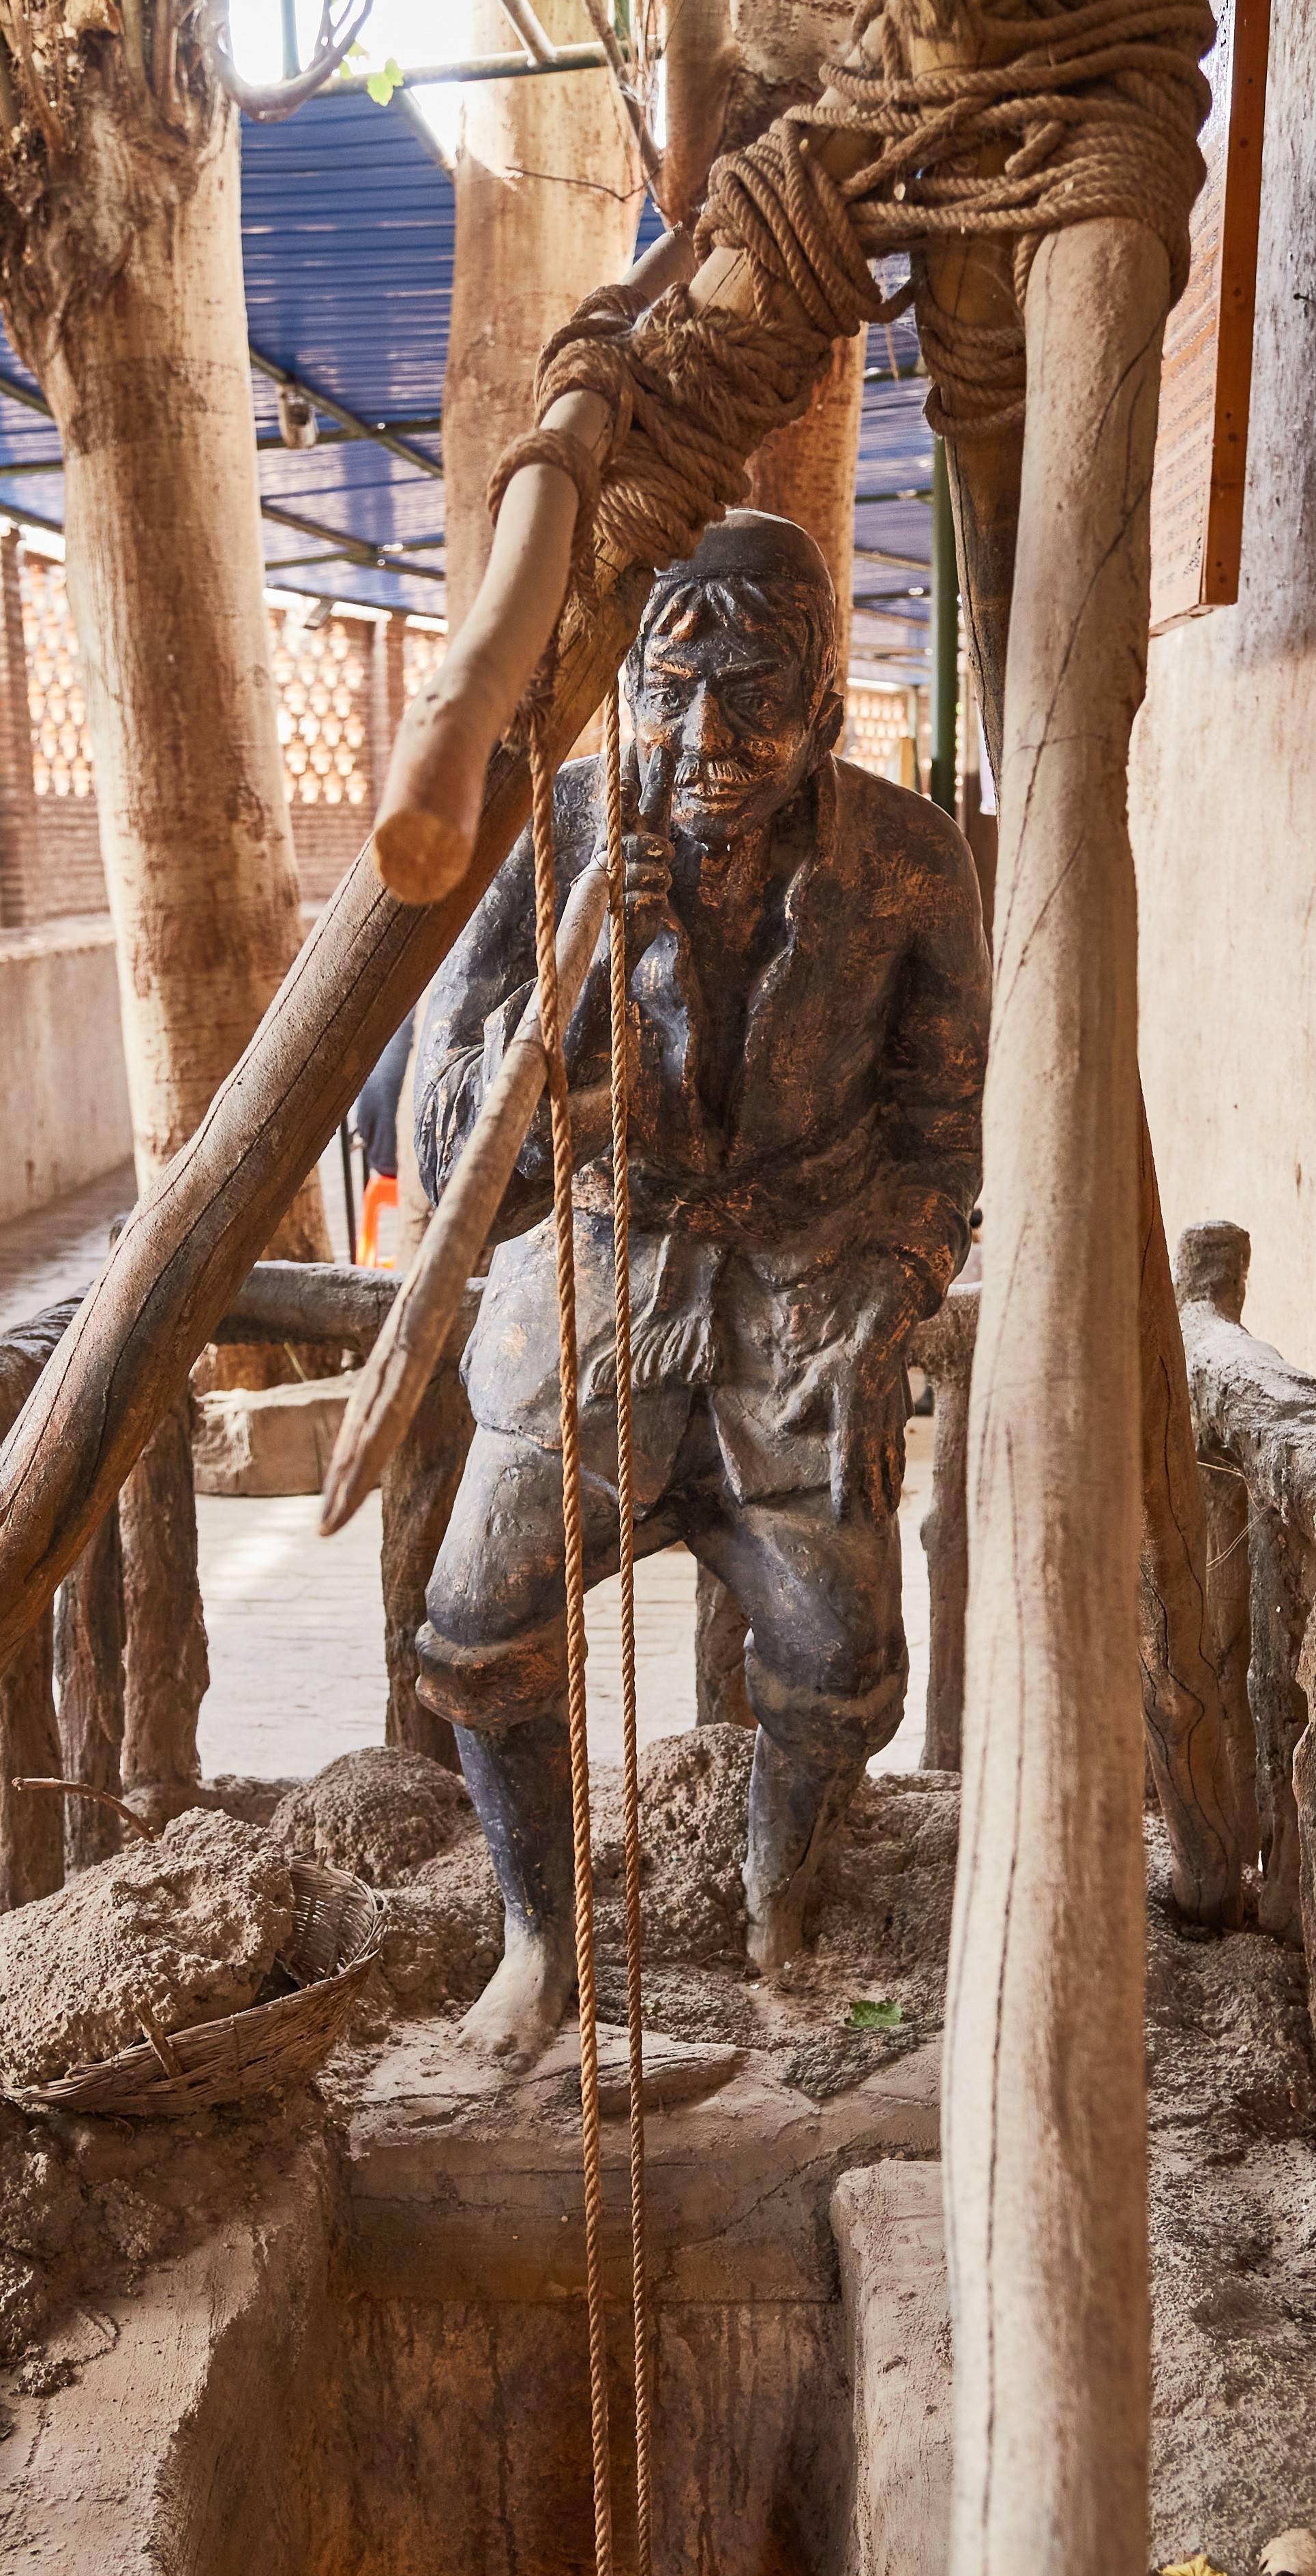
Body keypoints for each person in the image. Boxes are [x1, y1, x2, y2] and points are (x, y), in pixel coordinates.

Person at [413, 511, 989, 2060]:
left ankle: (777, 1896)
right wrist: (588, 963)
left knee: (836, 1657)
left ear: (828, 709)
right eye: (671, 690)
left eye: (756, 691)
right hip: (603, 1276)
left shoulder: (913, 864)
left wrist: (898, 1275)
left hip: (802, 1302)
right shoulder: (562, 835)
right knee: (478, 1627)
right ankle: (542, 1942)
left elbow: (944, 1137)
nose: (709, 736)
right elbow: (441, 1122)